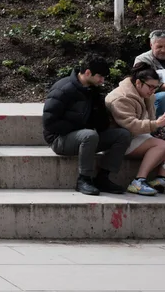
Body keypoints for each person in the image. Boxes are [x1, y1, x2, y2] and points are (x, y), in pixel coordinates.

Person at [41, 56, 130, 195]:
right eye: (100, 77)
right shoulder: (63, 89)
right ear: (88, 73)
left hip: (86, 136)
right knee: (89, 135)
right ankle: (84, 179)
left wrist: (101, 112)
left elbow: (101, 124)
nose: (102, 81)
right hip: (59, 139)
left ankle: (102, 178)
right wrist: (79, 126)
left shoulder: (93, 90)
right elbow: (49, 122)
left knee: (123, 135)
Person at [106, 63, 165, 196]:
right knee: (162, 145)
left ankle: (160, 180)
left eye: (155, 87)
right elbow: (130, 125)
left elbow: (149, 120)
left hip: (138, 136)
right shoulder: (121, 98)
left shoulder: (147, 95)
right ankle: (138, 182)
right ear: (138, 82)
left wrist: (157, 129)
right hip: (121, 139)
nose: (153, 90)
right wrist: (155, 124)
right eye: (150, 87)